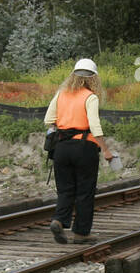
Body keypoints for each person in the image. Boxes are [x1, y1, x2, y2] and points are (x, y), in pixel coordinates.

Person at [43, 57, 115, 244]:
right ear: (93, 78)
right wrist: (106, 150)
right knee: (84, 191)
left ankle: (59, 220)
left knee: (65, 189)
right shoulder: (90, 97)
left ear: (73, 76)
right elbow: (94, 125)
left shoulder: (61, 94)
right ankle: (81, 233)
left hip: (61, 148)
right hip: (84, 148)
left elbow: (48, 119)